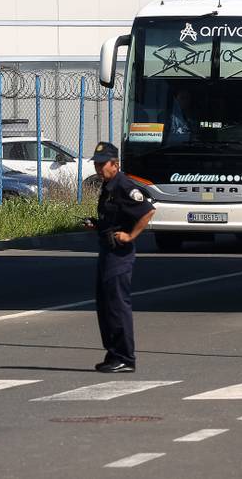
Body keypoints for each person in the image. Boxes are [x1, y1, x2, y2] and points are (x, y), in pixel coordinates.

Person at [84, 142, 155, 372]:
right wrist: (97, 226)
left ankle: (125, 357)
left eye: (102, 163)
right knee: (104, 305)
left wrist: (131, 235)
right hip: (106, 250)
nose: (98, 168)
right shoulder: (108, 186)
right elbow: (112, 218)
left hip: (119, 255)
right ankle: (113, 353)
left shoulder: (123, 185)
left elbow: (147, 210)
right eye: (96, 163)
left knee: (116, 305)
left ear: (115, 164)